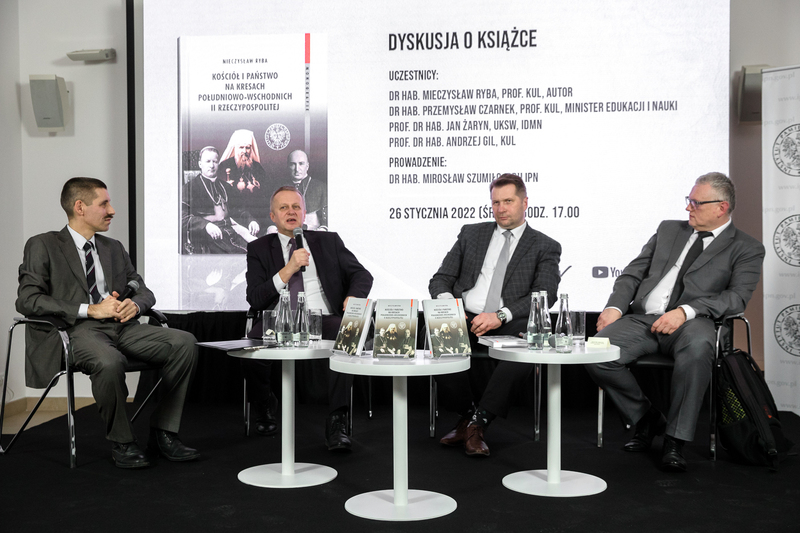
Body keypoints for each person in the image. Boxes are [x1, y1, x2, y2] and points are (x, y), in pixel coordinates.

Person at [585, 172, 765, 472]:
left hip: (695, 323)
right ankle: (647, 418)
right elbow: (632, 273)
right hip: (644, 319)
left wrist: (686, 311)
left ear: (721, 208)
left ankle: (675, 439)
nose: (688, 208)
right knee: (595, 351)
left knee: (697, 351)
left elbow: (736, 298)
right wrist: (615, 308)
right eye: (688, 200)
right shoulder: (668, 230)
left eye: (696, 202)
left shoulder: (746, 247)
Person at [16, 177, 199, 469]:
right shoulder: (43, 245)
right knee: (109, 361)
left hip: (123, 327)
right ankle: (123, 442)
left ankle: (164, 432)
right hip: (75, 331)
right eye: (104, 204)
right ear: (80, 207)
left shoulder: (113, 247)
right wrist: (90, 310)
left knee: (184, 343)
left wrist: (134, 305)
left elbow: (142, 289)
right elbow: (28, 300)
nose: (111, 210)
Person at [429, 173, 561, 456]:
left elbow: (545, 294)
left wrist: (500, 315)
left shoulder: (544, 245)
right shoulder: (471, 234)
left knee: (528, 347)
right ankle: (468, 415)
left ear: (525, 203)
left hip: (510, 320)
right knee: (437, 336)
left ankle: (479, 422)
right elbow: (441, 279)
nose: (501, 209)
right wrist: (450, 308)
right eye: (495, 202)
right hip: (465, 316)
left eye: (508, 201)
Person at [243, 185, 373, 450]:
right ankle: (265, 403)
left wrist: (354, 296)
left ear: (304, 213)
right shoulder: (258, 248)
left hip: (320, 317)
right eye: (284, 208)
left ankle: (337, 419)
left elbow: (362, 275)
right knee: (250, 344)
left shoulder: (328, 241)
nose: (291, 212)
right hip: (278, 320)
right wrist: (289, 268)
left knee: (350, 332)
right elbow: (255, 298)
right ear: (273, 216)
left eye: (296, 207)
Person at [181, 146, 258, 254]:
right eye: (208, 161)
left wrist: (251, 220)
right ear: (200, 164)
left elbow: (238, 210)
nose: (212, 165)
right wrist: (205, 225)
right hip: (209, 238)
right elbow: (182, 217)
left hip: (230, 231)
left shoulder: (226, 186)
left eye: (215, 161)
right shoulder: (190, 188)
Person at [218, 130, 279, 233]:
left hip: (259, 218)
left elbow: (268, 196)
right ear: (235, 148)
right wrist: (249, 220)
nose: (245, 151)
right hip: (235, 219)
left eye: (248, 147)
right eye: (241, 147)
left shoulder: (257, 167)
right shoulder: (224, 167)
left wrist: (271, 224)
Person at [282, 149, 327, 229]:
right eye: (293, 164)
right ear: (288, 166)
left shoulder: (321, 187)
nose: (297, 169)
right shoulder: (280, 188)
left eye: (301, 164)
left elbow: (327, 219)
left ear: (307, 166)